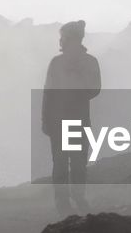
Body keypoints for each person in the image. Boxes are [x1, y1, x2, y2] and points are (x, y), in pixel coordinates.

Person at [41, 20, 101, 215]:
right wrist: (46, 120)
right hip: (67, 120)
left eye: (63, 38)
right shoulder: (60, 62)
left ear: (71, 39)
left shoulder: (87, 63)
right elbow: (48, 92)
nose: (61, 41)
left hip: (73, 120)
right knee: (62, 162)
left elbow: (94, 90)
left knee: (76, 162)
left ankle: (76, 198)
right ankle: (63, 203)